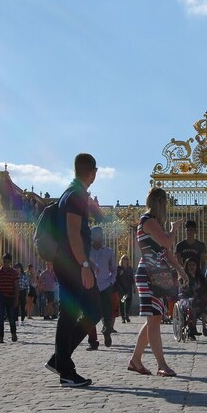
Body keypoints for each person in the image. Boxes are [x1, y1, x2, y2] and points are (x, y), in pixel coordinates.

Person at [45, 153, 102, 388]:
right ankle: (66, 370)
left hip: (71, 261)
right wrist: (85, 264)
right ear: (93, 172)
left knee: (94, 309)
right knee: (70, 313)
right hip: (71, 264)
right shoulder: (76, 195)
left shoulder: (73, 192)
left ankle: (60, 359)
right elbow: (73, 233)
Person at [128, 186, 184, 378]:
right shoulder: (148, 221)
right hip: (148, 274)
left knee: (154, 319)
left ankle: (135, 360)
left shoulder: (154, 223)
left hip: (157, 274)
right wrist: (173, 229)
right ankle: (161, 364)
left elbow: (166, 252)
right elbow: (167, 243)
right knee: (154, 320)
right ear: (160, 203)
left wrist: (180, 270)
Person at [87, 226, 117, 350]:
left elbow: (114, 269)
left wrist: (111, 281)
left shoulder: (109, 252)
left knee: (107, 312)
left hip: (105, 285)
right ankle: (93, 341)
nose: (97, 237)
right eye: (95, 235)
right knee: (90, 313)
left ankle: (107, 331)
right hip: (91, 285)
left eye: (99, 235)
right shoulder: (87, 251)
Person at [0, 253, 20, 343]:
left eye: (7, 262)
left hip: (11, 297)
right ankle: (0, 336)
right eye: (4, 261)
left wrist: (16, 299)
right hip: (0, 296)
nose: (6, 263)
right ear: (2, 261)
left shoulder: (14, 272)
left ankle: (13, 333)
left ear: (10, 262)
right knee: (0, 317)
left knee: (11, 317)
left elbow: (16, 287)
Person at [115, 255, 134, 324]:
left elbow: (132, 279)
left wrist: (134, 288)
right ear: (121, 260)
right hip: (122, 288)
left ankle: (127, 315)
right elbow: (116, 278)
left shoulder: (130, 269)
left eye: (126, 259)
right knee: (122, 302)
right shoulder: (119, 268)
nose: (125, 260)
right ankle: (123, 317)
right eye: (124, 259)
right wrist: (119, 274)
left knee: (128, 302)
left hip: (128, 288)